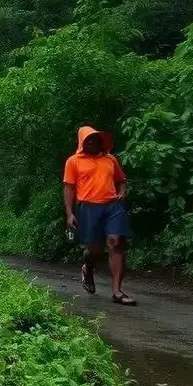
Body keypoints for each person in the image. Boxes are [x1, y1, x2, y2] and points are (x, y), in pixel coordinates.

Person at [63, 125, 136, 305]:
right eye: (88, 139)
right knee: (94, 249)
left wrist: (122, 193)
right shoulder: (73, 161)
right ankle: (88, 268)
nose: (92, 142)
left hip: (113, 206)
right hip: (88, 207)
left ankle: (117, 292)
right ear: (81, 142)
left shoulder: (110, 159)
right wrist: (70, 213)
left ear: (100, 141)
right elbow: (69, 188)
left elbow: (121, 180)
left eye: (95, 139)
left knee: (116, 242)